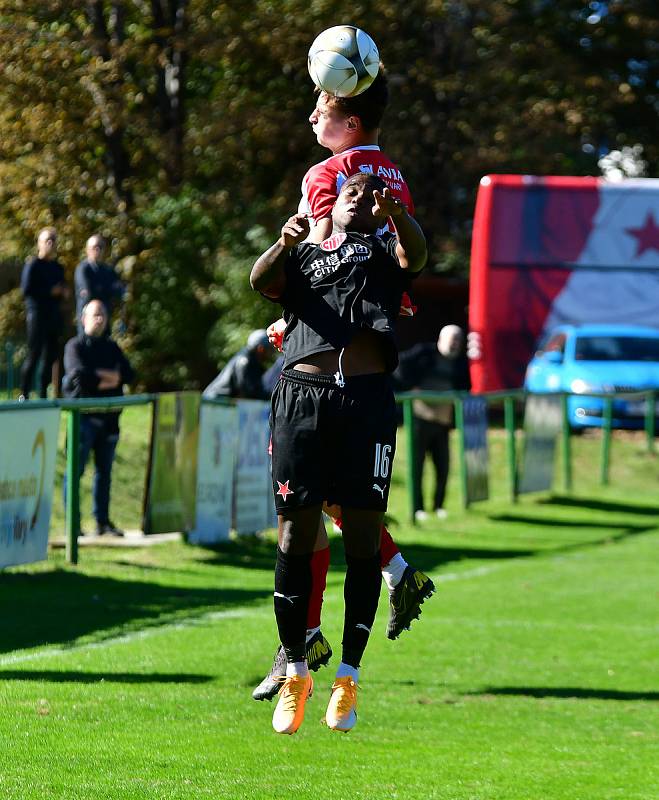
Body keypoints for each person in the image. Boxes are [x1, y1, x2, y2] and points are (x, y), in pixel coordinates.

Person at [252, 70, 434, 704]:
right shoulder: (396, 176)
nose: (311, 119)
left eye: (320, 106)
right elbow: (375, 264)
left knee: (312, 515)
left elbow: (334, 253)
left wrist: (296, 313)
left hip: (332, 373)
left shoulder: (327, 176)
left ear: (348, 121)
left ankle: (302, 645)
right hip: (353, 359)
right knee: (320, 511)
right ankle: (392, 575)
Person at [63, 299, 135, 536]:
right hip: (83, 421)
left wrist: (99, 378)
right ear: (83, 319)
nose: (100, 319)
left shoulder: (112, 347)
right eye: (95, 314)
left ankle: (102, 523)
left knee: (104, 474)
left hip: (109, 422)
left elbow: (128, 374)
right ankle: (72, 525)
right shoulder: (74, 346)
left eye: (103, 314)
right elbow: (78, 378)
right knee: (76, 471)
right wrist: (111, 379)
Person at [396, 325, 471, 521]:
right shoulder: (423, 353)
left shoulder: (460, 363)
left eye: (458, 340)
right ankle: (418, 509)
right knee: (417, 467)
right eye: (451, 339)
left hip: (443, 422)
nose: (454, 343)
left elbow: (466, 386)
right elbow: (399, 364)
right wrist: (409, 387)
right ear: (440, 339)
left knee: (443, 466)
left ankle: (439, 506)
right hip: (420, 419)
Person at [20, 227, 69, 399]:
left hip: (53, 318)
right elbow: (26, 290)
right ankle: (24, 393)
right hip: (37, 316)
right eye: (47, 239)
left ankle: (42, 394)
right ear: (39, 243)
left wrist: (63, 292)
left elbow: (62, 289)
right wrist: (50, 291)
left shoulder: (57, 268)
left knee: (50, 358)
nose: (51, 243)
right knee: (34, 355)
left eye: (53, 240)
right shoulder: (33, 265)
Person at [74, 234, 125, 333]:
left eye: (100, 247)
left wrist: (101, 289)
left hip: (104, 319)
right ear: (87, 249)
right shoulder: (83, 269)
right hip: (87, 321)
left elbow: (119, 291)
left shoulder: (108, 270)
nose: (97, 249)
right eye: (94, 247)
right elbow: (88, 293)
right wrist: (107, 290)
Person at [202, 329, 274, 400]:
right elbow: (249, 391)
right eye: (270, 349)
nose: (271, 353)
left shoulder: (253, 362)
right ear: (260, 348)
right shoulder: (244, 361)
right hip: (215, 401)